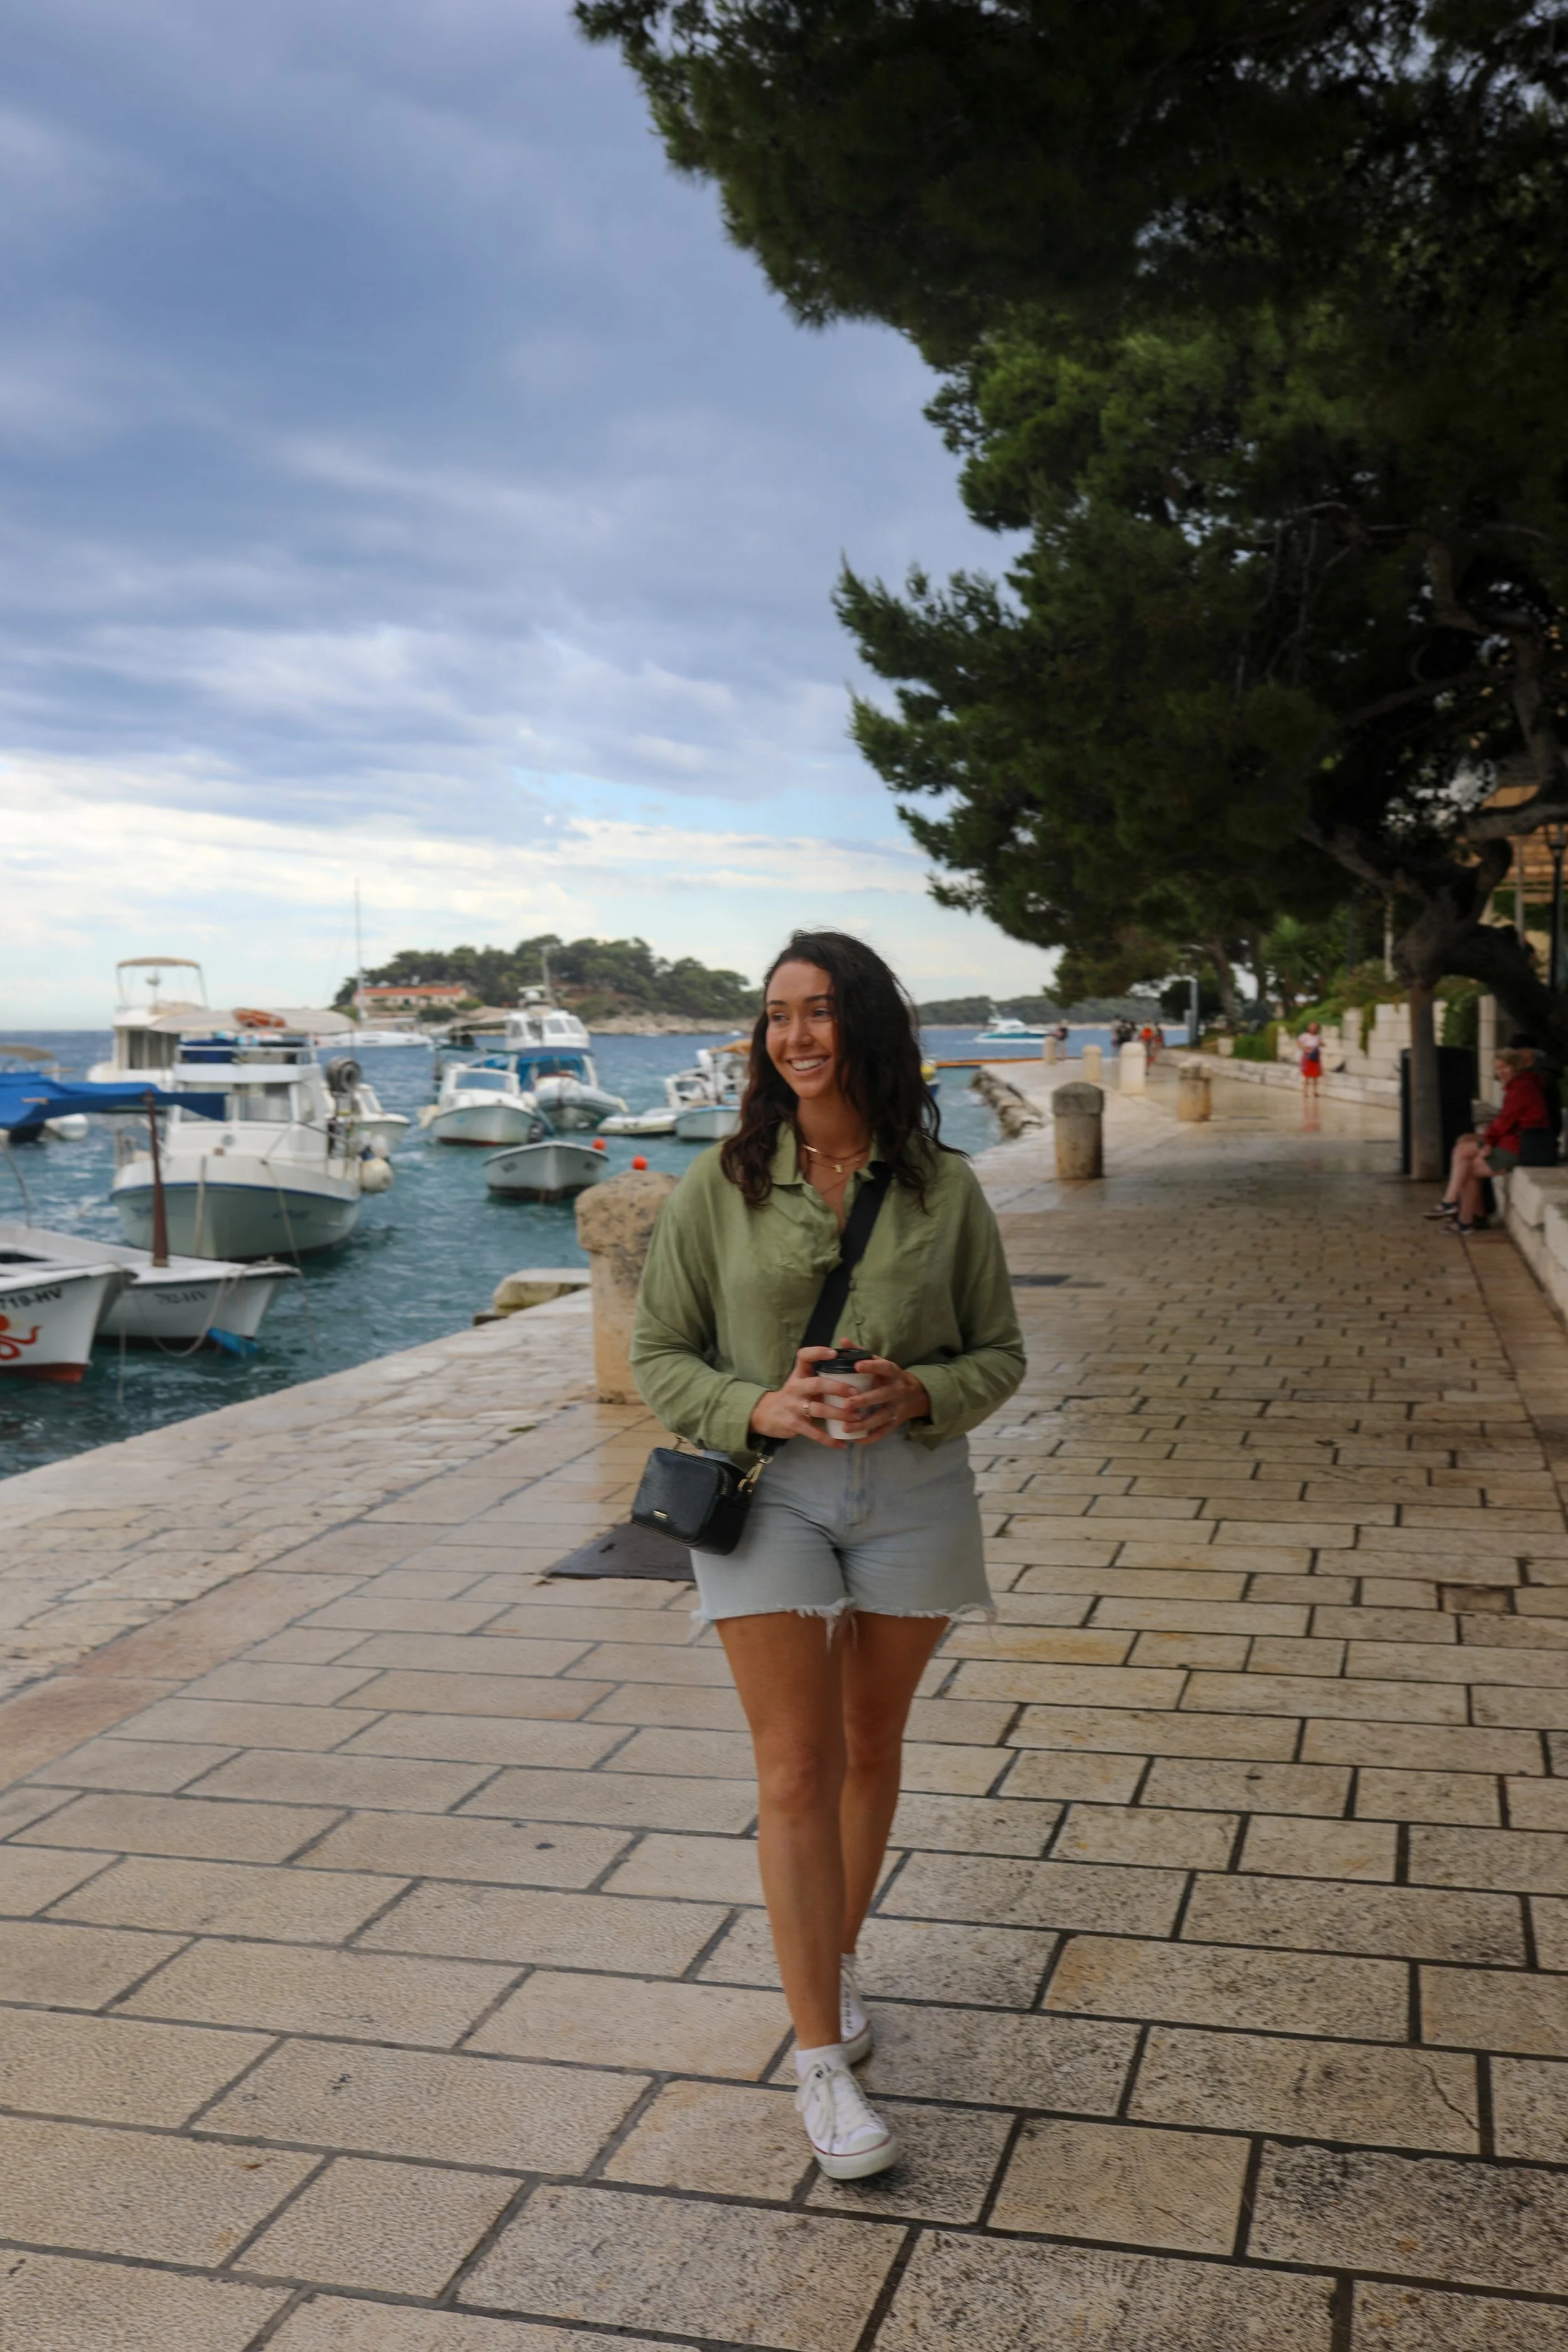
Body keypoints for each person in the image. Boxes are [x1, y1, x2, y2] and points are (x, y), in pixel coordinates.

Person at [630, 930, 1025, 2181]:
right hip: (772, 1497)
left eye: (818, 1011)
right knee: (796, 1766)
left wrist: (921, 1392)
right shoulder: (720, 1185)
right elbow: (658, 1355)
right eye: (775, 1015)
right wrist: (760, 1403)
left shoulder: (943, 1187)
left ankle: (834, 1956)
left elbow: (1000, 1354)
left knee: (869, 1742)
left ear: (864, 1022)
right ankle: (818, 2059)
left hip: (912, 1493)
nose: (794, 1037)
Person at [1427, 1047, 1552, 1234]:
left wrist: (1489, 1142)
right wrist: (1489, 1140)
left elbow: (1505, 1121)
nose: (1501, 1073)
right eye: (1498, 1069)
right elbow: (1506, 1121)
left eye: (1505, 1068)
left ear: (1516, 1067)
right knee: (1464, 1142)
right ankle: (1470, 1215)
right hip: (1519, 1141)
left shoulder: (1522, 1088)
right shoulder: (1520, 1085)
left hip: (1526, 1147)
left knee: (1466, 1161)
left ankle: (1455, 1206)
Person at [1298, 1020, 1323, 1100]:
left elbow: (1322, 1044)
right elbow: (1299, 1044)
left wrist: (1321, 1044)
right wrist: (1305, 1049)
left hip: (1315, 1056)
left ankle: (1315, 1091)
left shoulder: (1318, 1037)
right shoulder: (1304, 1036)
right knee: (1307, 1075)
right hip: (1308, 1056)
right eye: (1312, 1027)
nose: (1313, 1029)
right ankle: (1305, 1092)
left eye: (1315, 1028)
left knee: (1315, 1075)